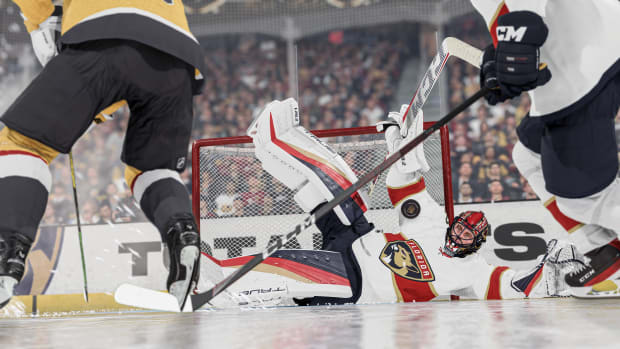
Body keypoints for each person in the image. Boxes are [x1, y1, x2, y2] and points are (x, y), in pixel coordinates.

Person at [193, 99, 580, 308]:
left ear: (476, 244)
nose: (460, 234)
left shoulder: (473, 272)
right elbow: (404, 187)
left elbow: (507, 286)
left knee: (287, 264)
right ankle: (274, 141)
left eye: (468, 235)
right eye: (461, 226)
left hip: (357, 281)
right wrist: (402, 151)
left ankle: (217, 284)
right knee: (336, 184)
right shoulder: (431, 221)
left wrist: (549, 274)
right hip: (359, 236)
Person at [0, 0, 205, 309]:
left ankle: (5, 260)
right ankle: (183, 235)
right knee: (153, 170)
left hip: (101, 32)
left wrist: (39, 23)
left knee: (22, 145)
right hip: (178, 56)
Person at [470, 0, 620, 297]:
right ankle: (600, 247)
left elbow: (523, 17)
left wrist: (516, 47)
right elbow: (507, 15)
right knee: (528, 155)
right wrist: (497, 58)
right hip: (588, 51)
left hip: (584, 63)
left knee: (578, 197)